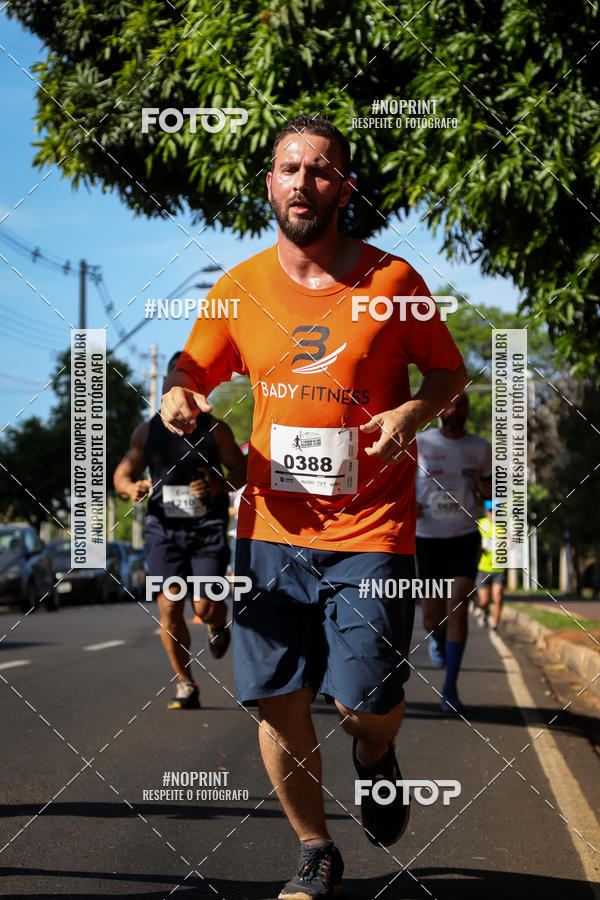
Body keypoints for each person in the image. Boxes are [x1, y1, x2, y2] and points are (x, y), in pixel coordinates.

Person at [160, 115, 467, 899]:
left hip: (372, 530)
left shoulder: (394, 283)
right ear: (270, 183)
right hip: (270, 530)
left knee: (363, 703)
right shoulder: (240, 288)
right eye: (289, 168)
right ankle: (313, 849)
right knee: (277, 700)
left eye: (321, 170)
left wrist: (411, 414)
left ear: (344, 187)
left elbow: (447, 377)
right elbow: (192, 365)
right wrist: (178, 392)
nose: (303, 182)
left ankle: (374, 755)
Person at [113, 351, 247, 710]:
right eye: (175, 380)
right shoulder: (148, 431)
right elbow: (123, 473)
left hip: (207, 529)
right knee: (170, 605)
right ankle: (185, 682)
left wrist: (218, 485)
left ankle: (217, 625)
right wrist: (131, 488)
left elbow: (242, 470)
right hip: (163, 530)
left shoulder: (216, 430)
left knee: (204, 606)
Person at [415, 393, 492, 714]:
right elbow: (401, 485)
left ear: (468, 409)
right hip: (427, 538)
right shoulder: (420, 443)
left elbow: (493, 491)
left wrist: (483, 486)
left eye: (460, 404)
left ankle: (450, 688)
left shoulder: (480, 448)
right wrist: (410, 506)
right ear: (438, 409)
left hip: (464, 535)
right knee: (433, 617)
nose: (454, 409)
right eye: (448, 404)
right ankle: (438, 638)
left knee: (458, 602)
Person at [475, 500, 507, 631]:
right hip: (483, 568)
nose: (494, 514)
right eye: (491, 511)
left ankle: (494, 626)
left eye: (497, 511)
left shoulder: (504, 526)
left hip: (499, 568)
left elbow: (513, 543)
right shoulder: (480, 524)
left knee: (498, 596)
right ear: (487, 511)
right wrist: (479, 548)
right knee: (484, 601)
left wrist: (508, 545)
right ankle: (484, 612)